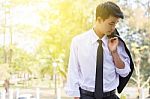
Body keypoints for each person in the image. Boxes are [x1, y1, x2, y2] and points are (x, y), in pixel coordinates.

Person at [65, 1, 134, 99]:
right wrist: (76, 96)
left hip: (110, 96)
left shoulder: (117, 42)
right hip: (85, 96)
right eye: (111, 23)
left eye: (116, 24)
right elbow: (73, 71)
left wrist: (114, 52)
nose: (113, 27)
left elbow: (125, 72)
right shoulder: (78, 41)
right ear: (99, 19)